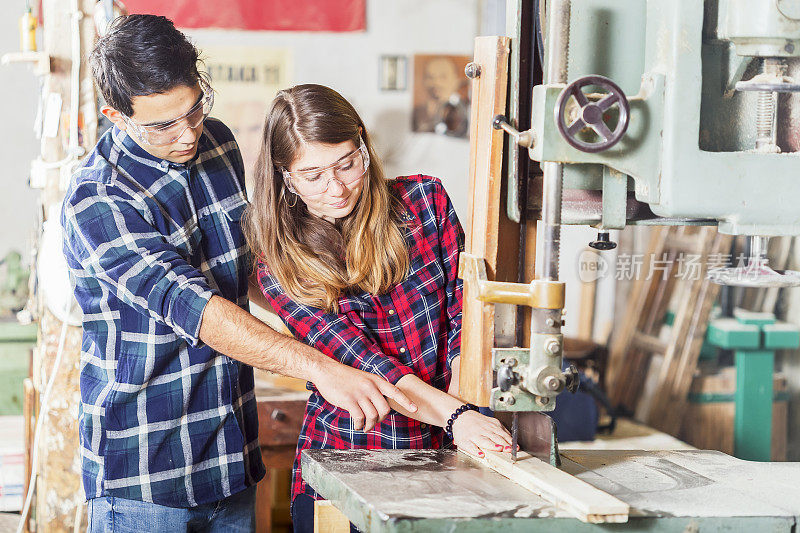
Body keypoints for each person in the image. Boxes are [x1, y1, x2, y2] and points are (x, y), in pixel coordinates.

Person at [61, 15, 415, 532]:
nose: (187, 134)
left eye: (195, 108)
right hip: (146, 473)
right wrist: (320, 366)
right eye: (162, 125)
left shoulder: (217, 144)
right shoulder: (99, 198)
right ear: (117, 115)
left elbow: (244, 265)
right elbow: (199, 311)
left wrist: (336, 320)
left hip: (230, 457)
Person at [243, 84, 514, 533]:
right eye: (312, 176)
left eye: (347, 164)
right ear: (285, 178)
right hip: (349, 457)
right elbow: (363, 364)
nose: (336, 188)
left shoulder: (425, 203)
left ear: (364, 148)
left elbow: (464, 319)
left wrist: (470, 410)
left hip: (450, 448)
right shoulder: (280, 260)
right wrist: (457, 415)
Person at [412, 56, 470, 137]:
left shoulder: (467, 109)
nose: (436, 83)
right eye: (430, 77)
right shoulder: (418, 111)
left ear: (456, 80)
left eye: (443, 77)